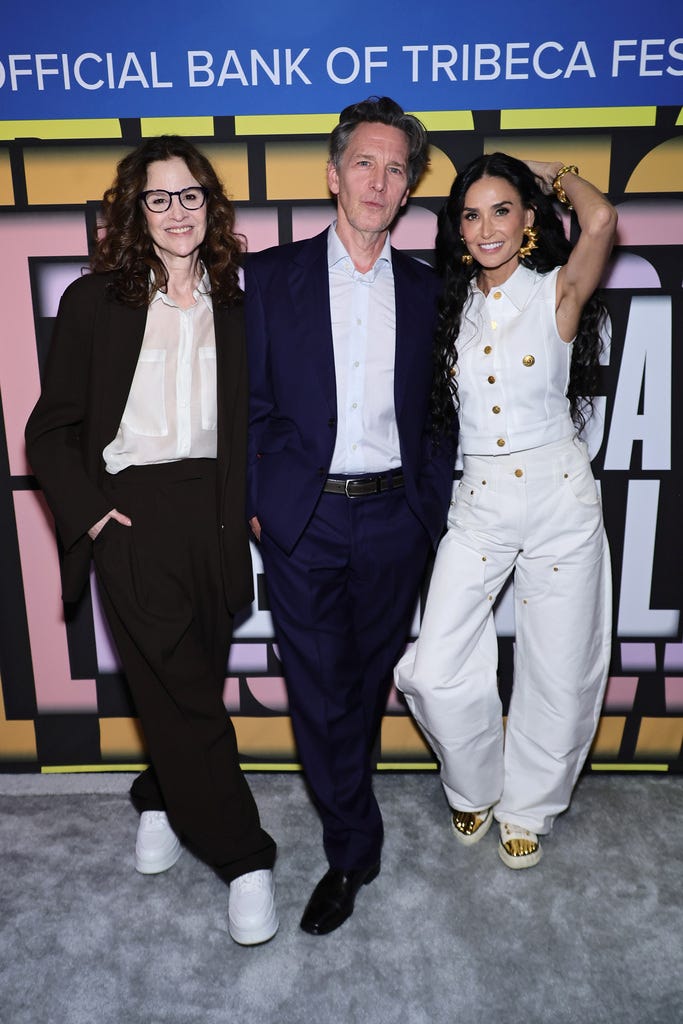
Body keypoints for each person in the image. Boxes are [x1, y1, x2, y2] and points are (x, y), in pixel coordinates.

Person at [25, 136, 278, 944]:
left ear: (212, 203)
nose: (177, 212)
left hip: (216, 509)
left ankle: (159, 795)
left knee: (189, 680)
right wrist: (94, 515)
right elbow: (51, 429)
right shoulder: (93, 301)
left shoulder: (241, 299)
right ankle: (244, 857)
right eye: (159, 198)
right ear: (134, 210)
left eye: (190, 195)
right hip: (130, 511)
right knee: (189, 695)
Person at [245, 97, 456, 934]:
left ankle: (348, 808)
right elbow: (250, 404)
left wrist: (427, 502)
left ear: (407, 191)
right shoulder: (270, 276)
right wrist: (263, 501)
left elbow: (442, 414)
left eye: (395, 167)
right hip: (305, 519)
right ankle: (350, 849)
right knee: (318, 687)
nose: (378, 180)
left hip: (395, 519)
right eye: (363, 163)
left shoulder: (430, 290)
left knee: (364, 685)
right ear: (333, 176)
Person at [395, 153, 617, 869]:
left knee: (557, 667)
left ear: (526, 222)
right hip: (481, 501)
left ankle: (529, 806)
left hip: (558, 496)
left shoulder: (556, 292)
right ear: (456, 229)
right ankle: (475, 782)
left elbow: (602, 219)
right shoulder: (445, 307)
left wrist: (557, 176)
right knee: (431, 667)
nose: (484, 226)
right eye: (469, 213)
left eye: (500, 210)